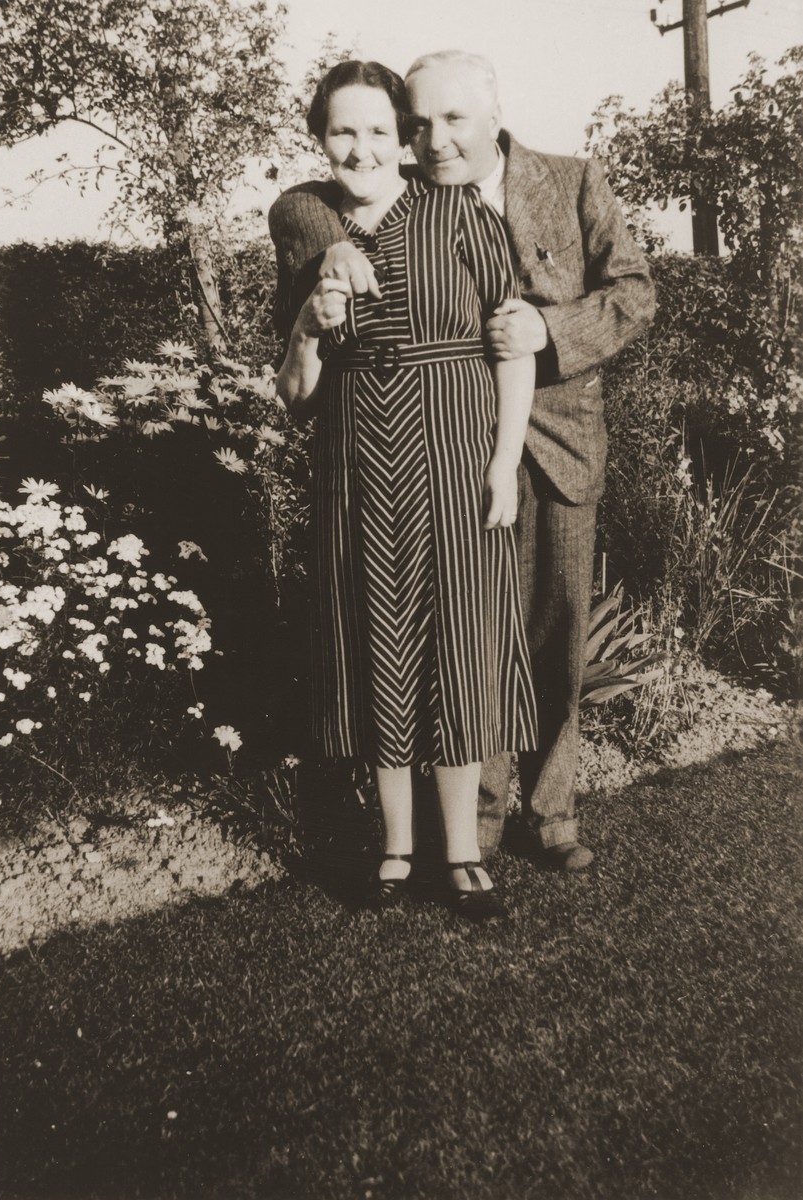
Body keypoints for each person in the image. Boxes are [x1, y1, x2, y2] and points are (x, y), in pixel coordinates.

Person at [269, 50, 656, 872]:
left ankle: (550, 812)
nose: (434, 138)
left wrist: (551, 332)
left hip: (550, 441)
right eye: (419, 123)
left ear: (491, 115)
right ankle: (468, 830)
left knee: (551, 636)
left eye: (452, 120)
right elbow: (319, 201)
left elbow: (635, 291)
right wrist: (330, 256)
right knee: (468, 640)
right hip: (442, 445)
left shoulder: (571, 179)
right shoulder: (386, 198)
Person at [273, 60, 538, 920]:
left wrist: (502, 464)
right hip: (359, 461)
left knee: (459, 642)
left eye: (378, 130)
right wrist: (309, 329)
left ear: (404, 137)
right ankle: (395, 848)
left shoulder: (458, 212)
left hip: (456, 452)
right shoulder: (310, 234)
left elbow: (512, 348)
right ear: (320, 137)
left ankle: (461, 854)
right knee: (376, 641)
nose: (362, 148)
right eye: (343, 131)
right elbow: (292, 391)